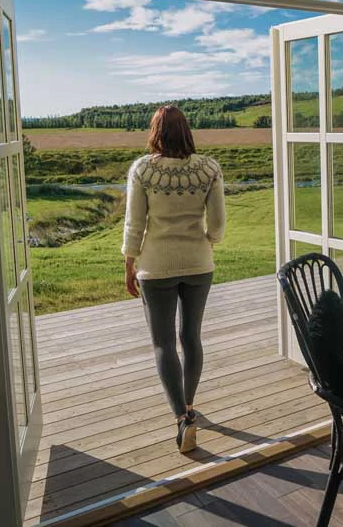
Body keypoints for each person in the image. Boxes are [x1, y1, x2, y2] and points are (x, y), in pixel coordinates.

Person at [122, 105, 226, 453]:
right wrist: (205, 242)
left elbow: (134, 223)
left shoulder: (143, 170)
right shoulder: (209, 168)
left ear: (156, 133)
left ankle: (181, 418)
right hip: (199, 263)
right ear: (186, 131)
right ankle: (190, 406)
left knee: (163, 343)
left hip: (156, 267)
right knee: (191, 337)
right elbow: (218, 224)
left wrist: (129, 262)